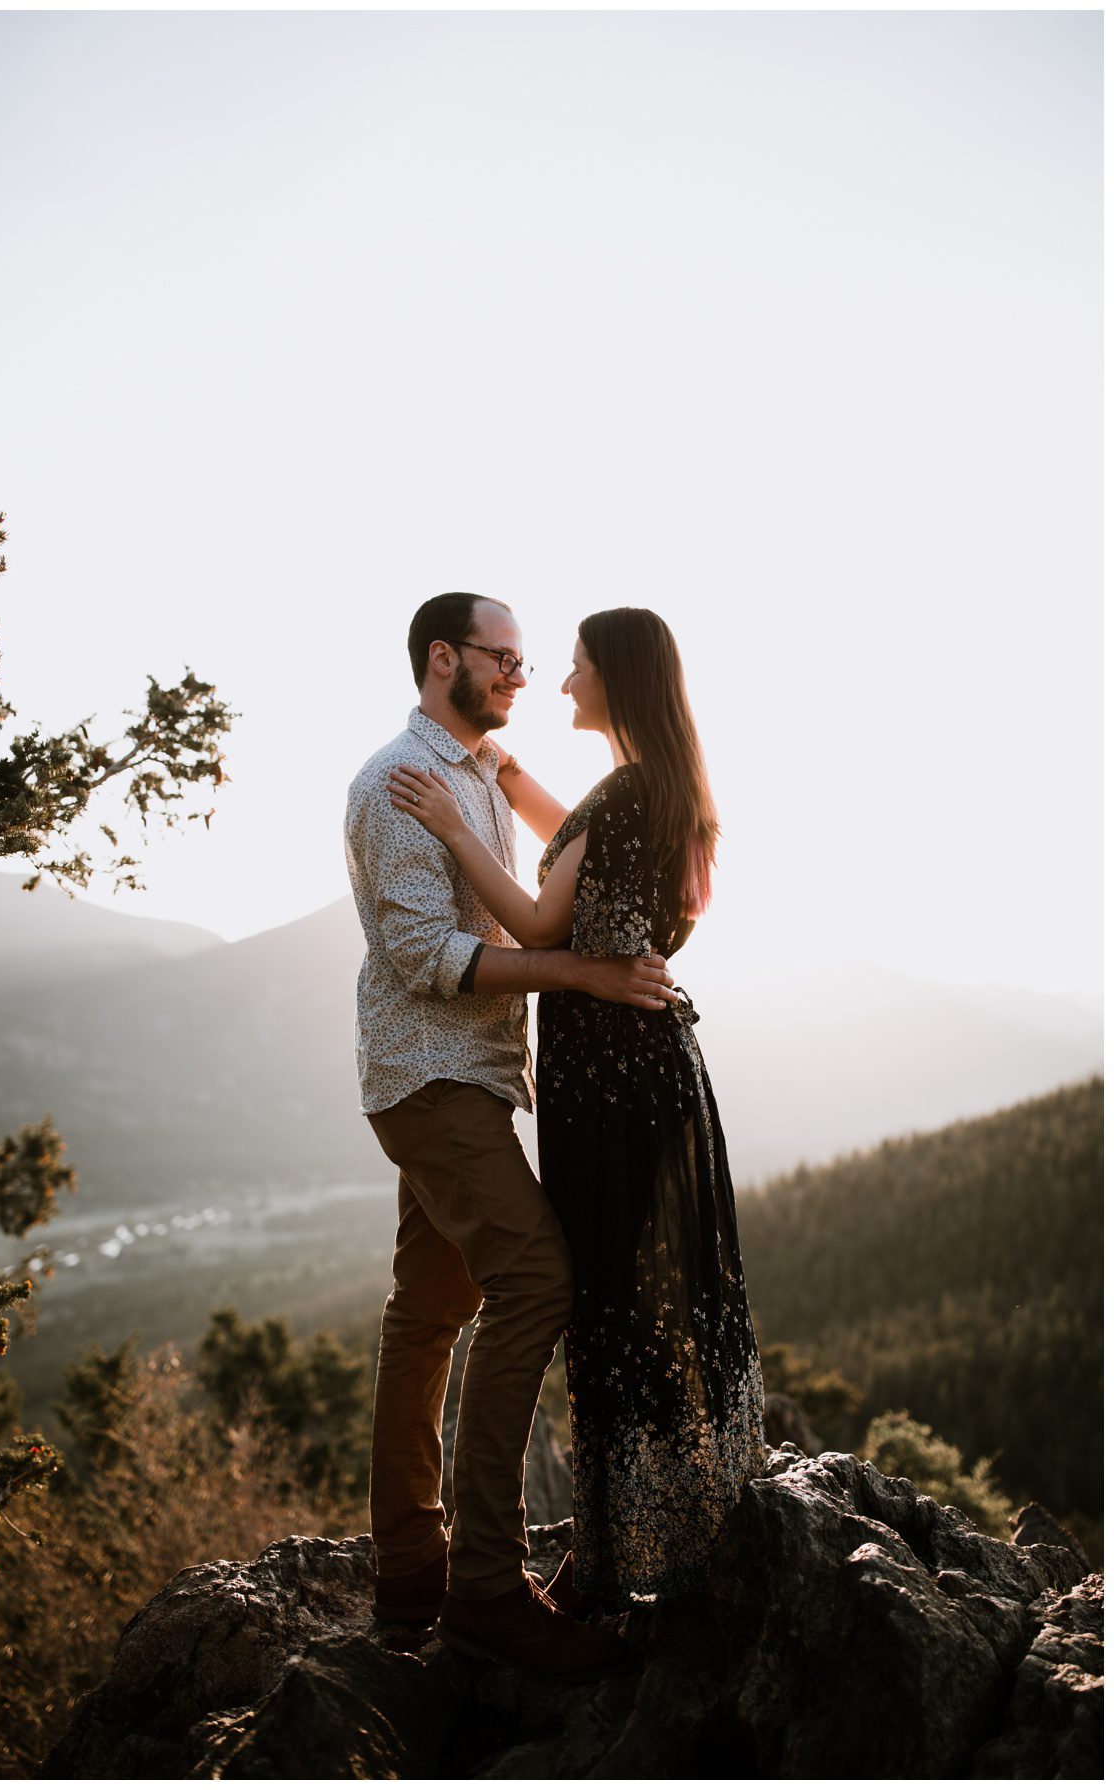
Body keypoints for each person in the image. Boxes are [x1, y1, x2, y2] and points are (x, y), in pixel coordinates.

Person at [387, 606, 767, 1610]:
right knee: (654, 1294)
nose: (558, 683)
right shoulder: (666, 788)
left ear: (617, 679)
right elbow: (583, 847)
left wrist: (455, 824)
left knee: (606, 1299)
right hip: (658, 1067)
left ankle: (614, 1558)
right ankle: (674, 1528)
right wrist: (511, 783)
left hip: (609, 1078)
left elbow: (537, 915)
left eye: (576, 666)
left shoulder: (629, 789)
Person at [344, 591, 677, 1678]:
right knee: (535, 1279)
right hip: (430, 1076)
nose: (523, 677)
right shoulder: (399, 784)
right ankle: (484, 1582)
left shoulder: (484, 774)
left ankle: (408, 1572)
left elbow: (581, 833)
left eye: (534, 662)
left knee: (431, 1308)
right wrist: (577, 970)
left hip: (478, 1076)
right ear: (443, 659)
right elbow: (425, 954)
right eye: (505, 658)